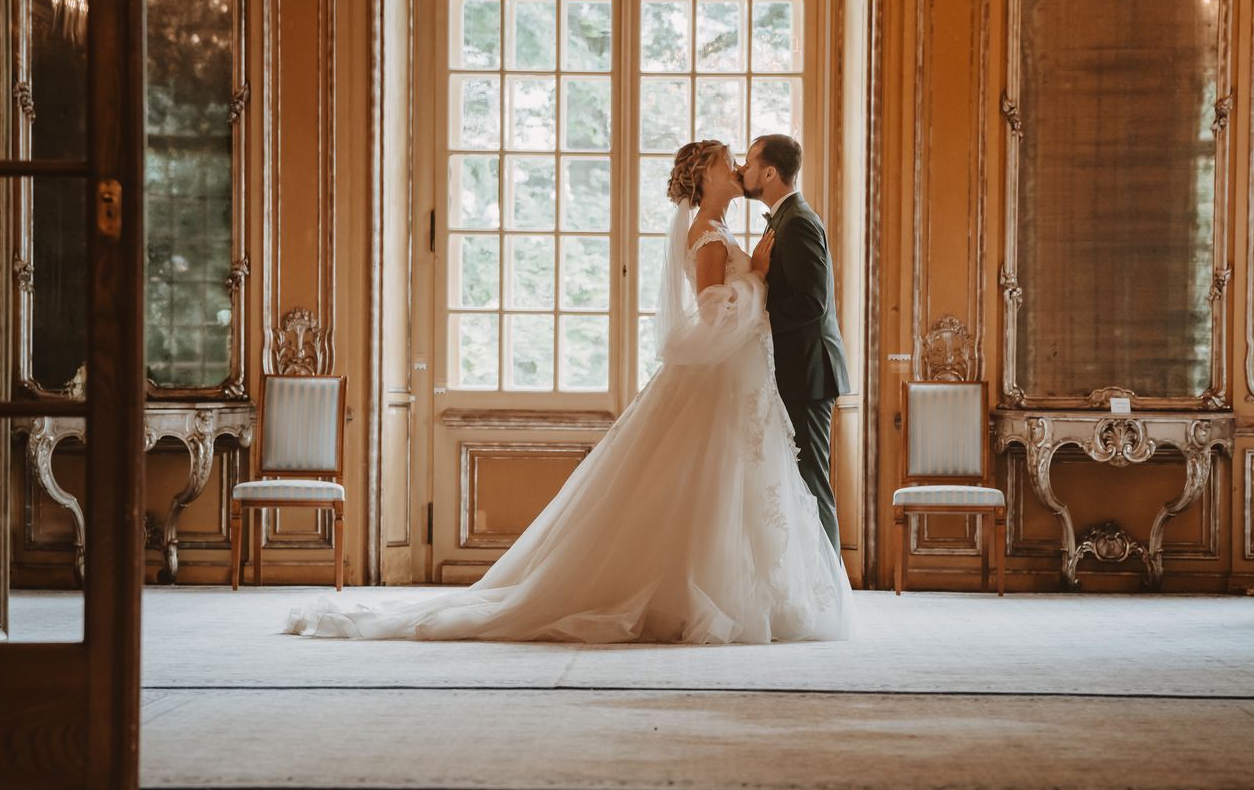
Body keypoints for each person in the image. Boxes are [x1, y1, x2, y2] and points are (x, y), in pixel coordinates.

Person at [284, 139, 852, 645]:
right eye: (729, 162)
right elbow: (709, 313)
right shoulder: (708, 233)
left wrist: (753, 277)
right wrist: (755, 278)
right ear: (705, 176)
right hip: (722, 379)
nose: (738, 169)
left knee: (738, 484)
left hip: (740, 379)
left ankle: (763, 590)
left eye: (741, 162)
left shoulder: (725, 229)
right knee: (711, 483)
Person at [739, 134, 851, 551]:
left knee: (812, 484)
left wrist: (755, 317)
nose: (743, 170)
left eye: (749, 163)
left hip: (808, 374)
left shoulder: (798, 221)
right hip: (794, 371)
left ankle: (831, 583)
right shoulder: (784, 218)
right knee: (796, 483)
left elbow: (811, 302)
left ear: (769, 173)